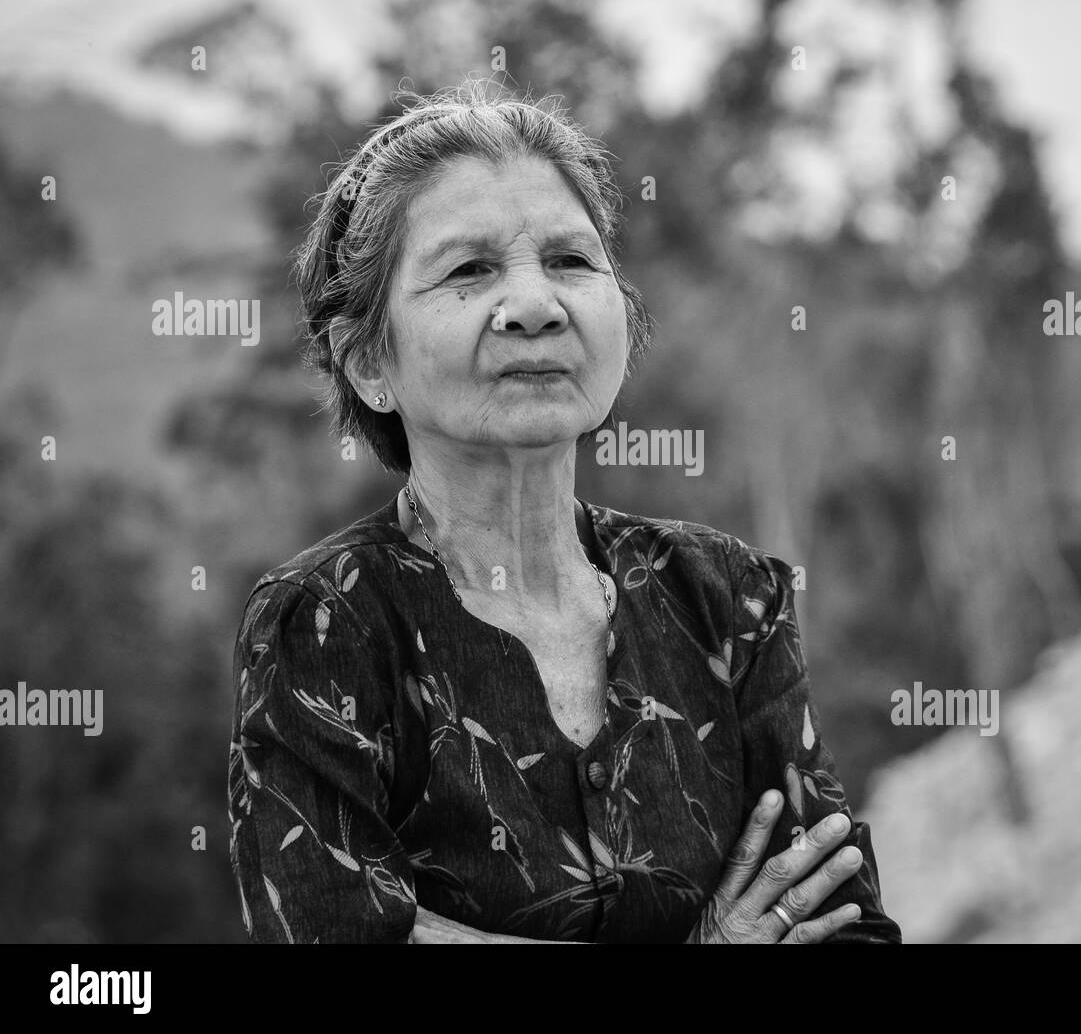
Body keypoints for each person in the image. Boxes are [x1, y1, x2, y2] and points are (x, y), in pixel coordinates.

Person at [226, 78, 902, 944]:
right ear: (367, 362)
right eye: (469, 270)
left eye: (572, 261)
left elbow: (838, 918)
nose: (536, 306)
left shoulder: (726, 599)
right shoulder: (326, 624)